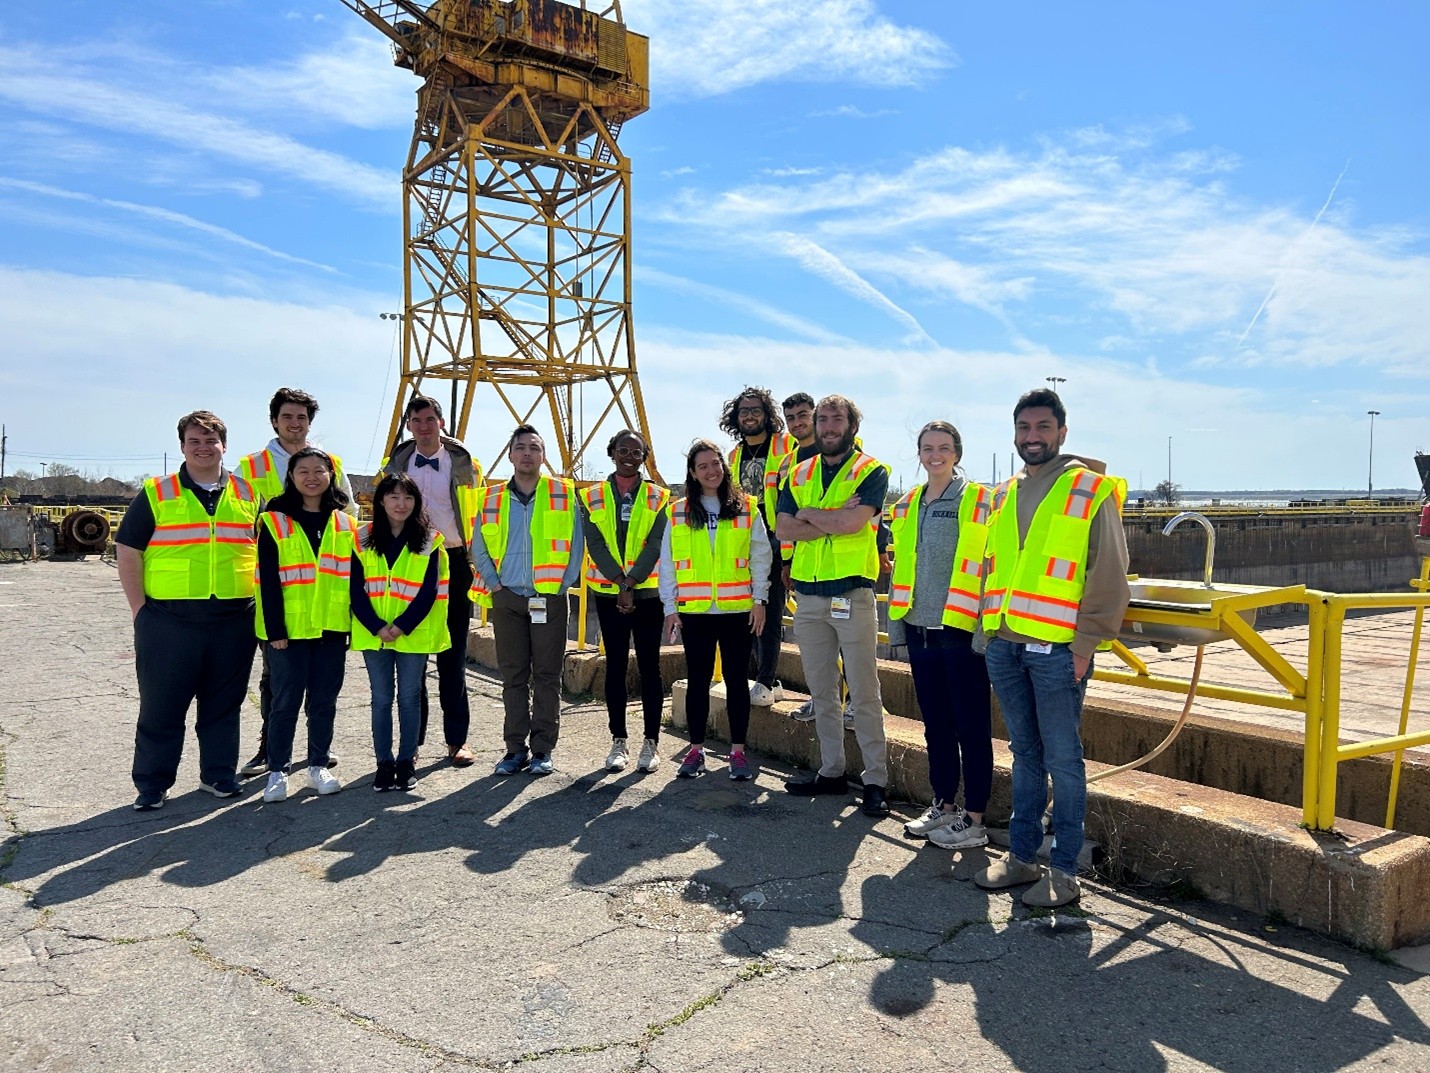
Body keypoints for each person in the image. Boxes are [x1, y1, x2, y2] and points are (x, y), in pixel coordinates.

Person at [974, 388, 1130, 907]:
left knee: (1063, 760)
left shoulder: (1089, 489)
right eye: (1024, 428)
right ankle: (1021, 858)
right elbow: (993, 569)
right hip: (1006, 645)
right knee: (1024, 755)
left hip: (1059, 649)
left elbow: (1108, 573)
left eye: (1042, 427)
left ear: (1062, 432)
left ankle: (1063, 874)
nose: (1032, 437)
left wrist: (1085, 646)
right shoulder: (1002, 494)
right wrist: (988, 632)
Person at [116, 411, 261, 810]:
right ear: (182, 446)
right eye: (194, 440)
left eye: (211, 440)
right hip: (168, 620)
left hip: (234, 619)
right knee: (162, 706)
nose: (203, 447)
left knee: (223, 705)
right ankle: (152, 784)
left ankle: (218, 776)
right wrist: (139, 611)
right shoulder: (157, 493)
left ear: (224, 446)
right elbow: (128, 550)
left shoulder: (249, 494)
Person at [775, 395, 892, 817]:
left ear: (851, 425)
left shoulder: (871, 470)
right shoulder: (798, 470)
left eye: (836, 419)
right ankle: (831, 771)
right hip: (807, 596)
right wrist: (822, 515)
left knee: (863, 691)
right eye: (822, 419)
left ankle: (875, 779)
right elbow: (783, 525)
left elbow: (852, 524)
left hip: (851, 594)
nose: (827, 426)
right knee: (822, 690)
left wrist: (811, 514)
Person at [885, 421, 994, 850]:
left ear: (958, 453)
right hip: (919, 629)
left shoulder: (977, 500)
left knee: (971, 726)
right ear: (919, 453)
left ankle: (975, 817)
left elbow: (990, 568)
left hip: (960, 629)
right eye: (928, 448)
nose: (936, 455)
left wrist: (983, 633)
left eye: (944, 448)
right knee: (935, 725)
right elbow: (901, 571)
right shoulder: (909, 503)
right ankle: (944, 804)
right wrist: (898, 626)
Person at [237, 387, 354, 780]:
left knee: (322, 690)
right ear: (274, 420)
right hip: (278, 591)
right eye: (287, 416)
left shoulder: (332, 463)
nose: (294, 423)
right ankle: (270, 751)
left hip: (325, 602)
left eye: (302, 417)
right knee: (277, 681)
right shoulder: (250, 467)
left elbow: (348, 521)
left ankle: (318, 751)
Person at [377, 395, 485, 768]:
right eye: (416, 421)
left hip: (453, 560)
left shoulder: (465, 466)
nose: (423, 427)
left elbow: (479, 515)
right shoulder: (396, 464)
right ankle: (413, 740)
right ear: (408, 425)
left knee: (452, 655)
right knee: (413, 654)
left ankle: (457, 741)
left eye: (429, 419)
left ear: (441, 423)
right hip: (410, 561)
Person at [472, 425, 584, 776]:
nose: (527, 454)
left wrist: (561, 586)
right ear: (510, 454)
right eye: (520, 447)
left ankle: (543, 750)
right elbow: (479, 547)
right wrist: (495, 586)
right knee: (514, 677)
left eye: (534, 448)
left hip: (548, 599)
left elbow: (577, 545)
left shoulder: (563, 495)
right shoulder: (491, 499)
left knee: (547, 676)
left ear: (543, 455)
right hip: (507, 599)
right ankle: (514, 749)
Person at [659, 440, 772, 780]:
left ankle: (737, 753)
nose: (712, 470)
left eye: (716, 463)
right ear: (693, 473)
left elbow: (761, 556)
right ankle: (695, 751)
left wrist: (759, 600)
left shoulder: (746, 508)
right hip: (695, 610)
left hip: (737, 608)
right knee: (698, 681)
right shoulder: (677, 511)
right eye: (703, 466)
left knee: (738, 682)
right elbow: (668, 563)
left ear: (724, 467)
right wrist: (670, 607)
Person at [253, 448, 358, 803]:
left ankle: (317, 765)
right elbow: (266, 580)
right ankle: (278, 770)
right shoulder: (274, 519)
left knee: (324, 701)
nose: (311, 477)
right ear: (291, 476)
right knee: (284, 702)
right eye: (303, 471)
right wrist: (274, 631)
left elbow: (352, 578)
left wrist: (350, 626)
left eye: (319, 470)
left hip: (331, 627)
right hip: (290, 632)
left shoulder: (344, 523)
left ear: (330, 475)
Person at [351, 472, 450, 792]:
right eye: (393, 496)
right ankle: (384, 763)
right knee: (381, 699)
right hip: (374, 633)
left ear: (416, 502)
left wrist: (401, 626)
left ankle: (407, 761)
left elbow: (428, 590)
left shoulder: (428, 539)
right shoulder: (361, 537)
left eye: (407, 497)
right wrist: (377, 626)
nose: (400, 503)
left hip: (412, 632)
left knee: (409, 698)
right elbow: (355, 589)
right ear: (380, 500)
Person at [579, 429, 669, 774]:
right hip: (608, 592)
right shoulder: (592, 496)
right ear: (611, 452)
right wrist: (619, 582)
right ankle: (619, 740)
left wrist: (631, 583)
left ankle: (651, 742)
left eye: (636, 451)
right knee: (615, 665)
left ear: (644, 455)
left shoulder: (659, 497)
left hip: (648, 593)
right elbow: (595, 544)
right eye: (622, 450)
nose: (629, 456)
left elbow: (656, 543)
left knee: (650, 667)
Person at [721, 387, 795, 707]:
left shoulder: (784, 444)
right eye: (744, 411)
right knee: (750, 609)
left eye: (755, 410)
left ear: (767, 414)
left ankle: (764, 681)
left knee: (771, 609)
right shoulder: (735, 455)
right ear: (736, 418)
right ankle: (771, 679)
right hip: (748, 538)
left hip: (780, 537)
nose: (749, 416)